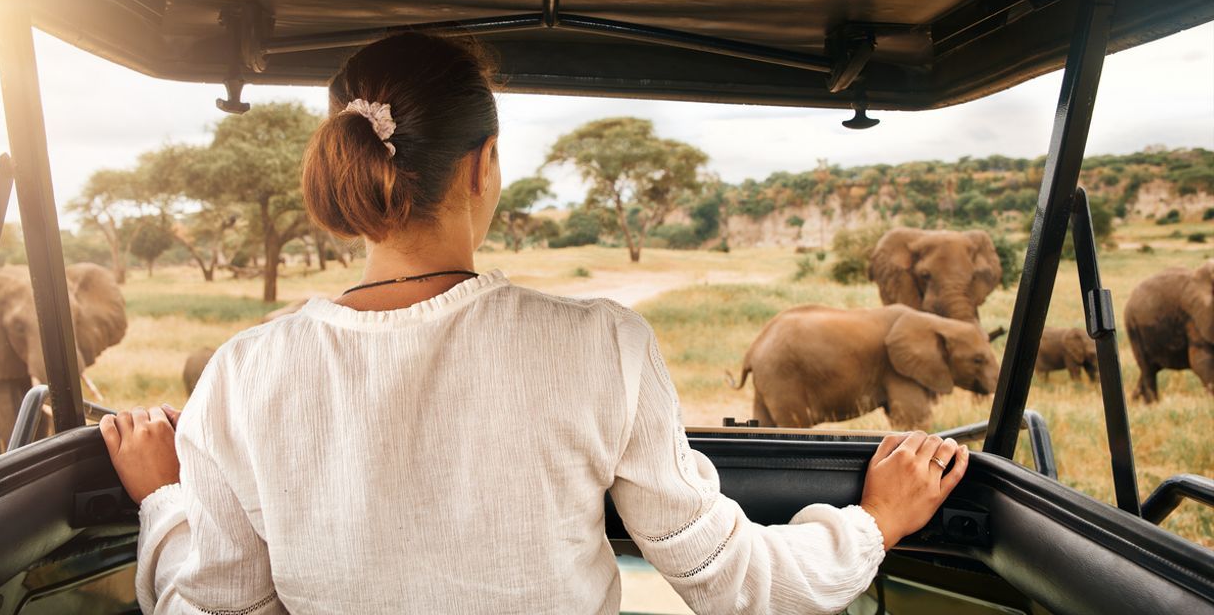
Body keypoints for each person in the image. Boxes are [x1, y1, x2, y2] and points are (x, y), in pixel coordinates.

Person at [101, 32, 969, 615]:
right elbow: (731, 577)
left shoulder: (244, 373)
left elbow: (219, 604)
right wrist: (874, 524)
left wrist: (166, 500)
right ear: (484, 167)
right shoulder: (600, 344)